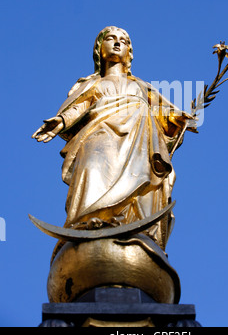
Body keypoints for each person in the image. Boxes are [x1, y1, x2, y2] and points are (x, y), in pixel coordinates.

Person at [32, 26, 196, 250]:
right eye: (111, 39)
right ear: (100, 49)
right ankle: (88, 220)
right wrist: (61, 121)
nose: (118, 43)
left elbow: (166, 117)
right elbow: (77, 108)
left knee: (144, 181)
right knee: (92, 168)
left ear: (129, 52)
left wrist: (178, 120)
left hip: (140, 142)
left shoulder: (141, 87)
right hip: (99, 136)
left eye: (124, 41)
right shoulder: (91, 84)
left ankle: (135, 226)